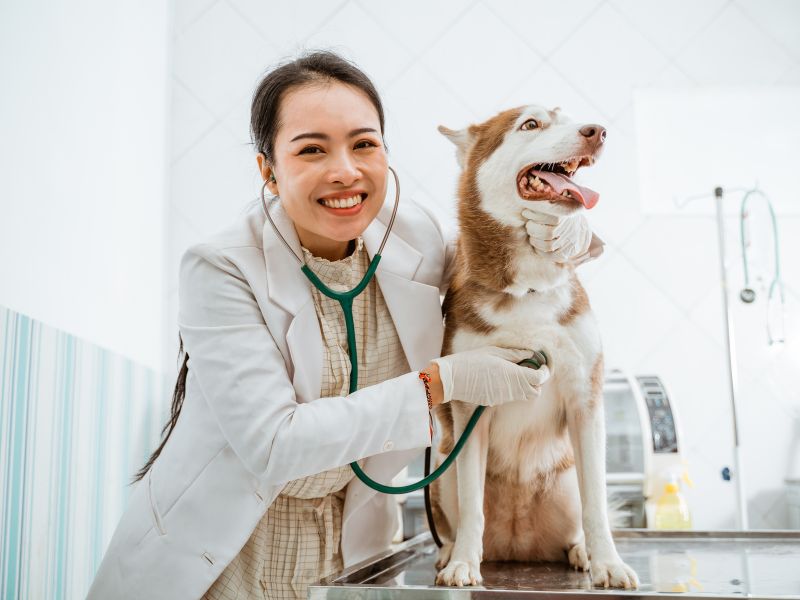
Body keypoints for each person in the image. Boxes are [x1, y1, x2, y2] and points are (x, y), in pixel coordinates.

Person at [87, 50, 600, 600]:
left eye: (364, 144)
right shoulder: (221, 268)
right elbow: (274, 446)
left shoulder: (416, 237)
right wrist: (439, 383)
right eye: (312, 149)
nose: (345, 171)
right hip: (224, 560)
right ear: (269, 171)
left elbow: (505, 262)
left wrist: (573, 233)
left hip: (349, 559)